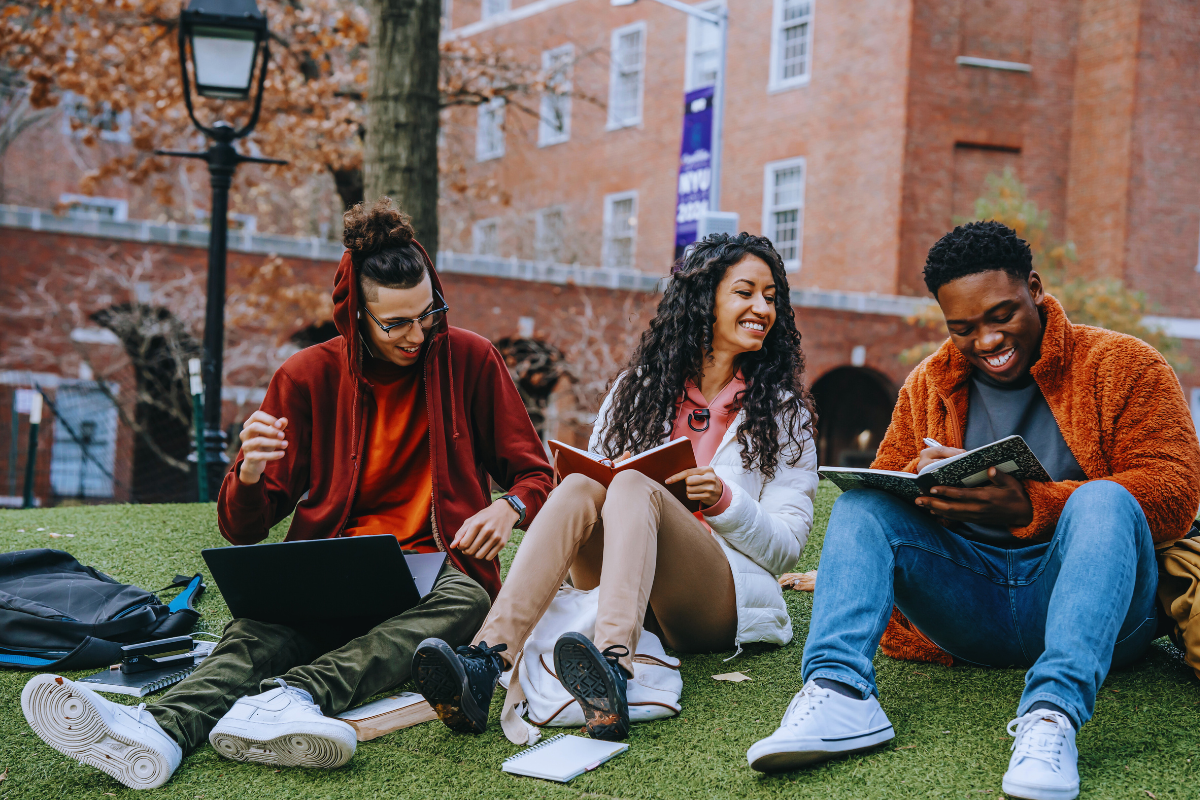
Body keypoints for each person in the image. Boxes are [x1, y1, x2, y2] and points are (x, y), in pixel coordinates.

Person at [20, 198, 555, 790]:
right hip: (332, 560)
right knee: (258, 630)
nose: (418, 334)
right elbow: (244, 528)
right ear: (356, 316)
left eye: (428, 314)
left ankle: (294, 697)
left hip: (438, 561)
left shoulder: (471, 360)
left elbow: (536, 474)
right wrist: (248, 473)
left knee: (471, 604)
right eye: (396, 323)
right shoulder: (304, 376)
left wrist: (509, 506)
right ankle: (158, 731)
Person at [748, 221, 1200, 800]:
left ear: (1034, 287)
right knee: (863, 504)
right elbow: (888, 484)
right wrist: (927, 488)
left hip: (1099, 613)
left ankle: (1051, 716)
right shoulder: (929, 382)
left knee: (1106, 498)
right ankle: (839, 694)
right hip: (970, 605)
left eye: (1000, 316)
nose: (986, 341)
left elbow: (1175, 492)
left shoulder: (1125, 365)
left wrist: (1032, 506)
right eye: (962, 328)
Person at [412, 232, 820, 741]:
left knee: (632, 487)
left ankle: (613, 668)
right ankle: (485, 661)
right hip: (617, 583)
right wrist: (606, 471)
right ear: (704, 299)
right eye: (745, 292)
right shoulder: (638, 390)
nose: (762, 307)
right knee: (586, 484)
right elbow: (595, 486)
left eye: (770, 296)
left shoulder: (784, 412)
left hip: (712, 600)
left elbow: (785, 548)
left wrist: (723, 501)